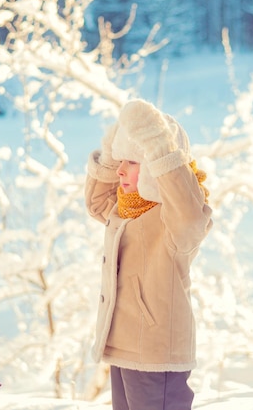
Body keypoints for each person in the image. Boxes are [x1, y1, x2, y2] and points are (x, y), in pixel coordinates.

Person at [85, 99, 213, 410]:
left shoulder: (173, 221)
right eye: (120, 161)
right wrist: (112, 143)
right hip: (125, 348)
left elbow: (191, 216)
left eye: (132, 161)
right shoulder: (125, 212)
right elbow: (95, 202)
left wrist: (158, 145)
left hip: (156, 354)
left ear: (156, 169)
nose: (120, 171)